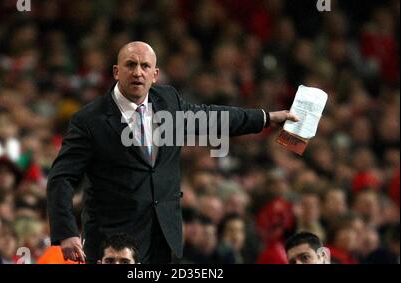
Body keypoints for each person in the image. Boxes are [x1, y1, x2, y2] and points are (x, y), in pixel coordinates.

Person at [47, 41, 299, 264]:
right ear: (116, 71)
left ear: (155, 74)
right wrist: (66, 232)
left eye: (145, 66)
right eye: (130, 65)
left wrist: (265, 118)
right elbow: (61, 178)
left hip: (163, 235)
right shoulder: (89, 120)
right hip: (112, 244)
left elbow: (211, 117)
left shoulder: (167, 100)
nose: (138, 72)